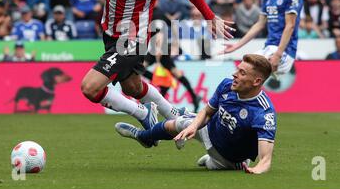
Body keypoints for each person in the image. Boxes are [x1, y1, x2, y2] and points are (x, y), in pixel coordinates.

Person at [52, 0, 233, 131]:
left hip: (133, 36)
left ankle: (142, 112)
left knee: (89, 88)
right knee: (132, 87)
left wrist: (209, 16)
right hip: (110, 32)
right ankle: (174, 113)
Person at [115, 54, 276, 173]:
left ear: (256, 82)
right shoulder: (227, 85)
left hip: (229, 158)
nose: (235, 74)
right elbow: (206, 112)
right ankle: (144, 136)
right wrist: (194, 125)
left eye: (242, 73)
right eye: (237, 69)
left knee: (213, 165)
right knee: (181, 123)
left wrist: (257, 169)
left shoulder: (263, 113)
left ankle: (210, 160)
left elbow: (265, 160)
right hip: (211, 129)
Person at [222, 0, 303, 75]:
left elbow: (290, 26)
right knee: (239, 72)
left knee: (246, 74)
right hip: (269, 47)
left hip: (284, 51)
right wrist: (236, 46)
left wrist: (278, 55)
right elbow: (259, 24)